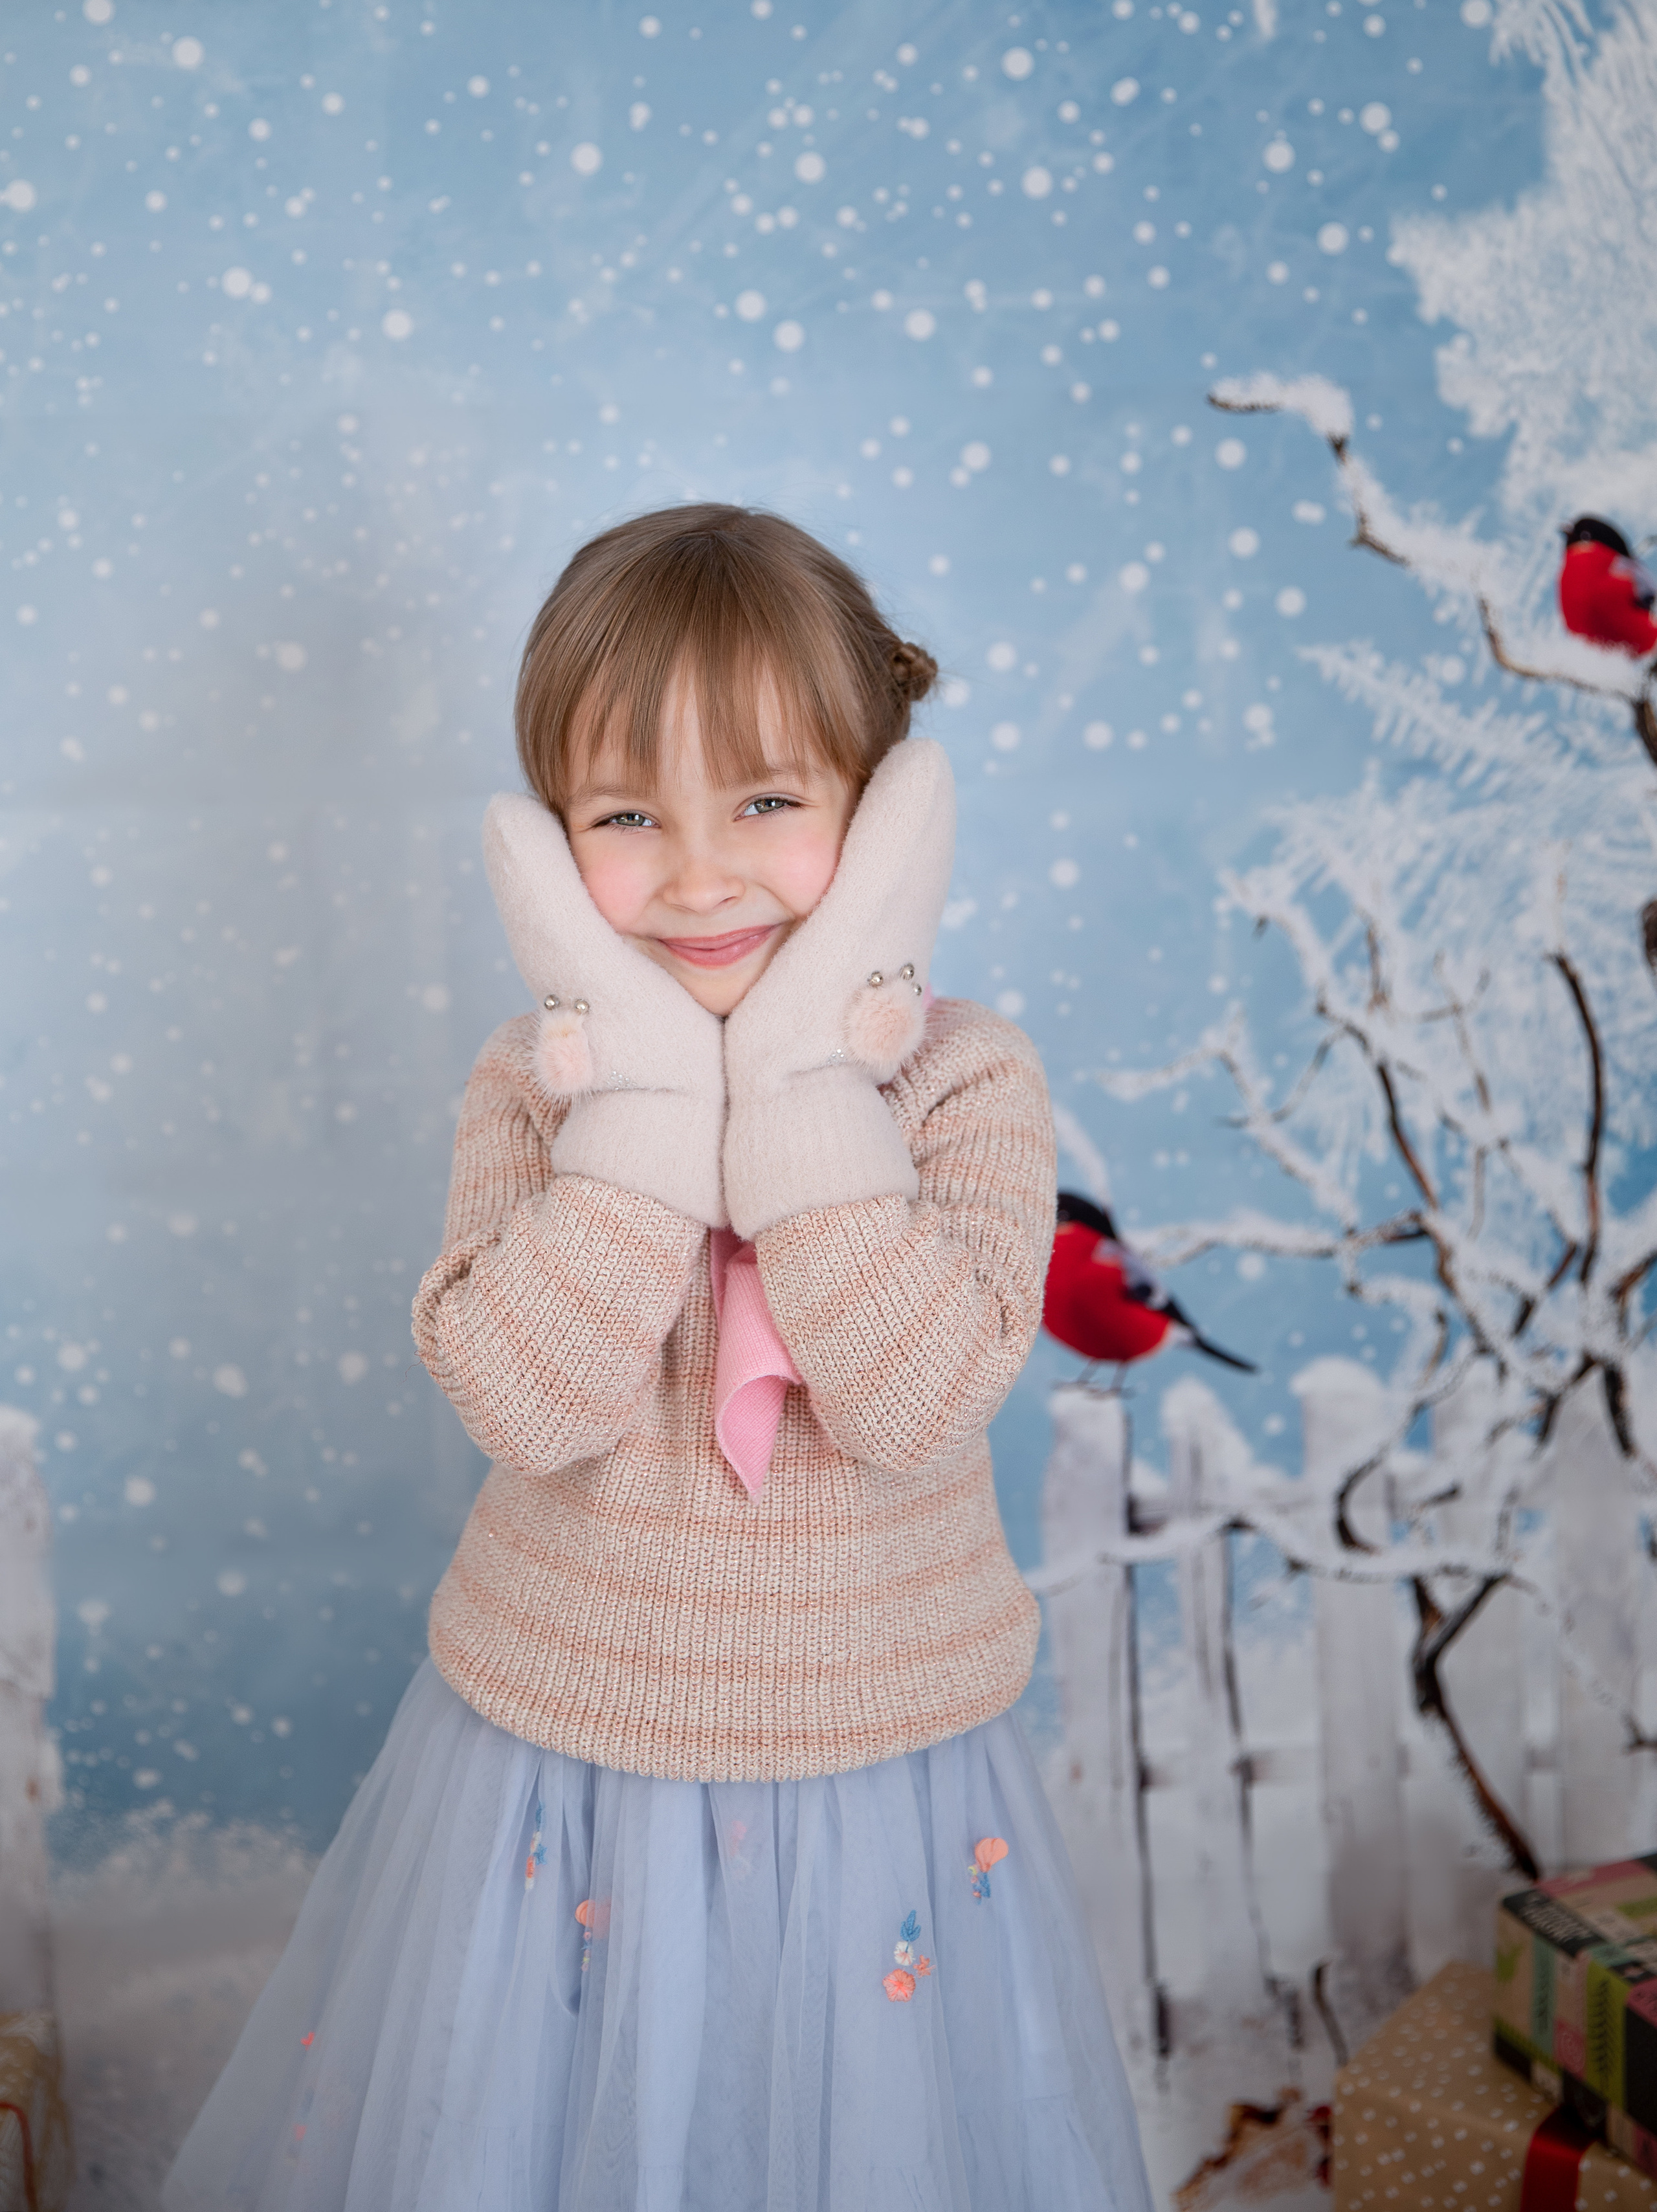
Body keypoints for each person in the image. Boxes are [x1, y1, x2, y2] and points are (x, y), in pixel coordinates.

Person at [164, 504, 1152, 2212]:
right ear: (552, 843)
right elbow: (531, 1396)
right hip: (566, 1766)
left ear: (886, 814)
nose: (697, 875)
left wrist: (797, 1099)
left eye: (769, 801)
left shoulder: (968, 1081)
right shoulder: (536, 1077)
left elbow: (917, 1405)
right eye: (629, 817)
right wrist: (640, 1116)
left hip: (881, 1768)